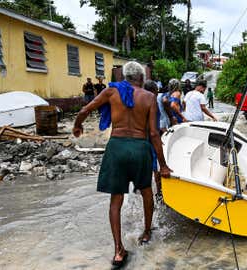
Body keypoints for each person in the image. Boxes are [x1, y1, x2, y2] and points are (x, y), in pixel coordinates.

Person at [73, 62, 172, 267]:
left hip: (116, 147)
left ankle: (118, 251)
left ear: (124, 77)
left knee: (115, 199)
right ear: (141, 78)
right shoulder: (149, 97)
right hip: (140, 148)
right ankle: (146, 233)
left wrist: (77, 125)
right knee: (146, 191)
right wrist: (163, 165)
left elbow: (85, 109)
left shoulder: (111, 92)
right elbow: (154, 133)